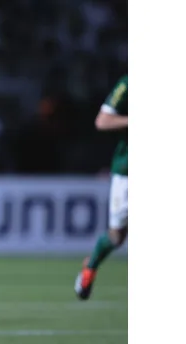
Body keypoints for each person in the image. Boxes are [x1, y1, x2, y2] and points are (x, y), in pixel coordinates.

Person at [75, 74, 128, 300]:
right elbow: (103, 121)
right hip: (128, 172)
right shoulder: (129, 84)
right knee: (116, 237)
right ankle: (90, 268)